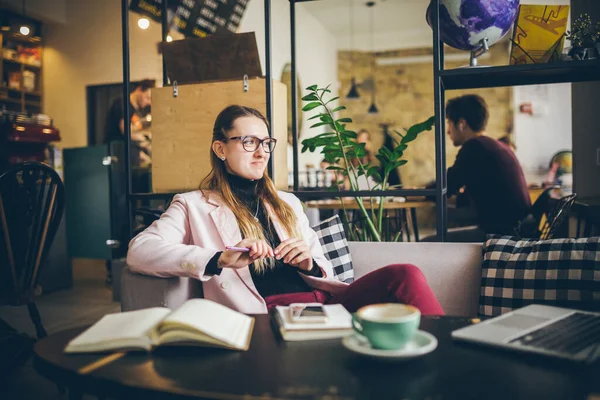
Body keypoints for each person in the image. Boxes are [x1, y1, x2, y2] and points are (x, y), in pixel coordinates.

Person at [126, 105, 444, 315]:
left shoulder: (287, 202)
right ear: (220, 148)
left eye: (266, 142)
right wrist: (217, 259)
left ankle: (448, 363)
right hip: (270, 313)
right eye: (248, 141)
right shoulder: (192, 205)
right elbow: (140, 251)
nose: (261, 151)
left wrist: (307, 263)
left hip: (323, 302)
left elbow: (322, 270)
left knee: (406, 275)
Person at [426, 95, 531, 242]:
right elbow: (472, 197)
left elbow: (445, 186)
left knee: (425, 244)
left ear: (462, 124)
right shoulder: (496, 145)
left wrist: (416, 192)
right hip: (516, 230)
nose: (448, 131)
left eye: (449, 123)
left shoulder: (474, 147)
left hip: (502, 236)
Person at [105, 79, 154, 166]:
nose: (149, 102)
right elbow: (127, 132)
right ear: (139, 90)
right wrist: (146, 138)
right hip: (121, 153)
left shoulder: (138, 111)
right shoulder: (122, 104)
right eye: (148, 98)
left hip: (132, 151)